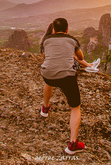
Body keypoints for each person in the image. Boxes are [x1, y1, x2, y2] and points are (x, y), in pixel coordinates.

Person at [40, 18, 93, 155]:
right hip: (66, 77)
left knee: (49, 81)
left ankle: (45, 108)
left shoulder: (46, 41)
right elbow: (80, 57)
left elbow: (46, 57)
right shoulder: (72, 40)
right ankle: (72, 144)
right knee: (75, 107)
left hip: (47, 73)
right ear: (67, 29)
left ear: (53, 29)